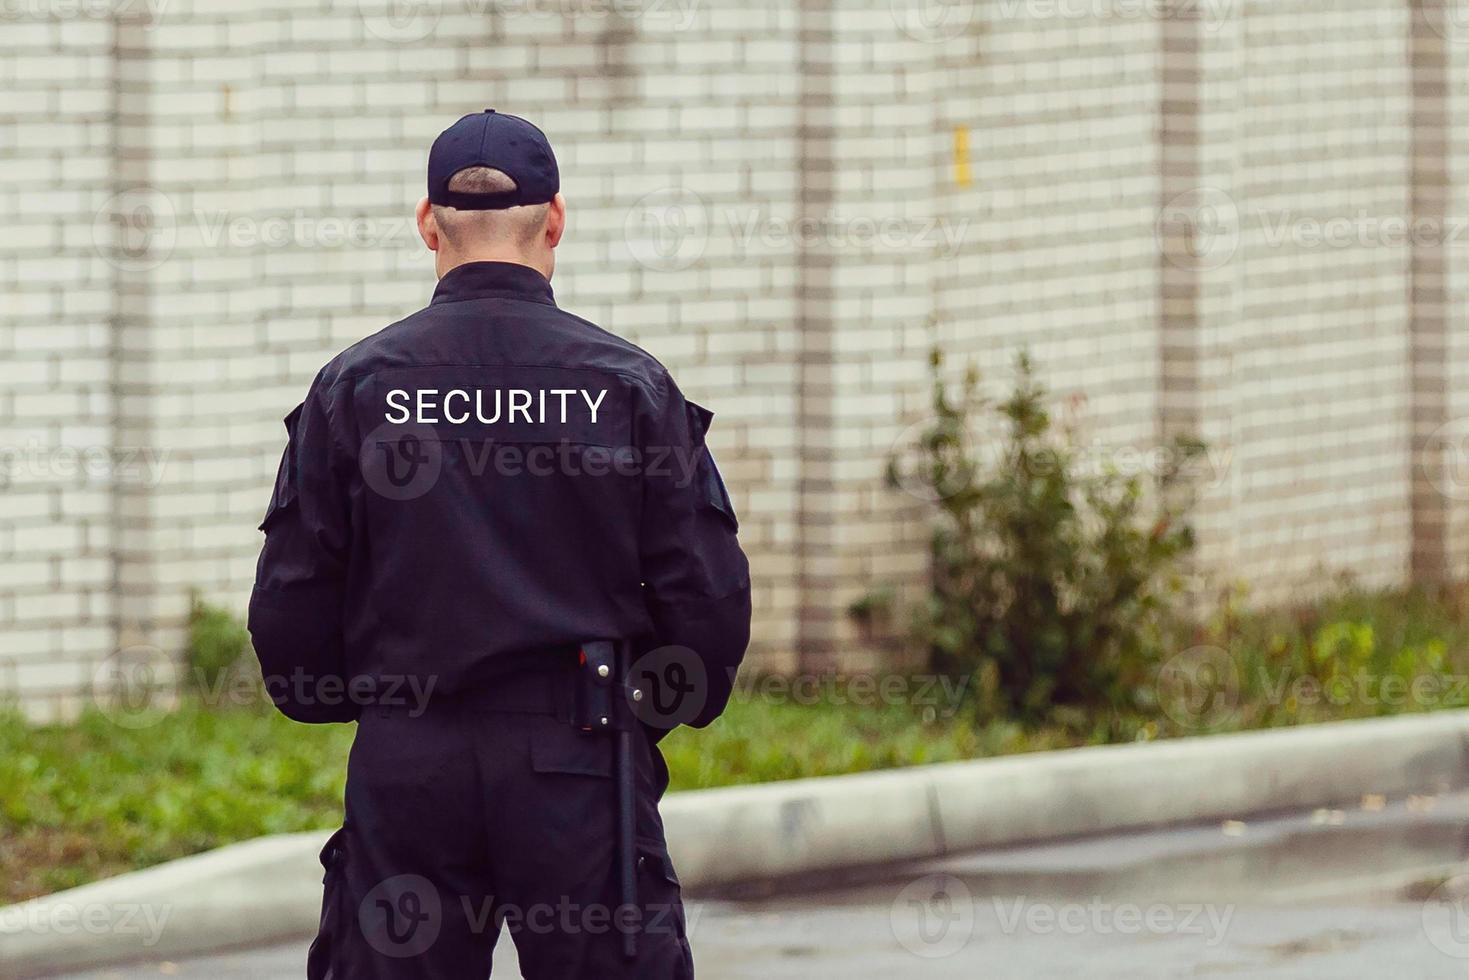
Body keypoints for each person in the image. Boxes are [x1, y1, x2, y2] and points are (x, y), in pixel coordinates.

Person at [247, 108, 751, 980]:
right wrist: (638, 717)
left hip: (410, 767)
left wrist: (368, 701)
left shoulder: (359, 386)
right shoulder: (626, 385)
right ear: (554, 221)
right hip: (580, 758)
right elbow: (705, 605)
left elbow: (291, 606)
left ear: (425, 224)